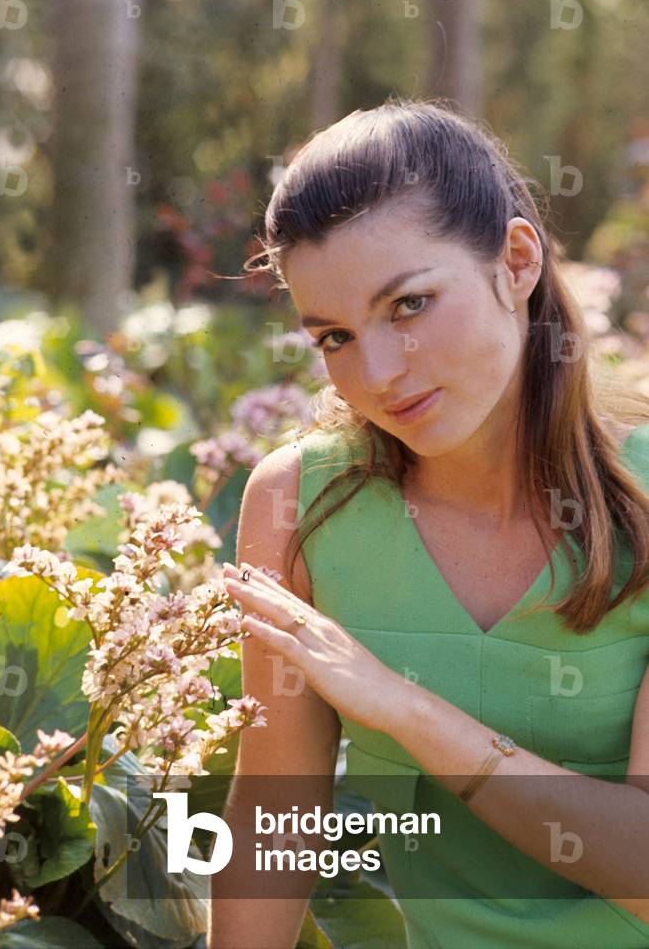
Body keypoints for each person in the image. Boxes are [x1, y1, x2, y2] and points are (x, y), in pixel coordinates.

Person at [208, 97, 649, 949]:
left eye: (408, 304)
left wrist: (409, 711)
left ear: (516, 262)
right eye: (334, 336)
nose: (377, 373)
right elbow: (274, 822)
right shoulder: (300, 506)